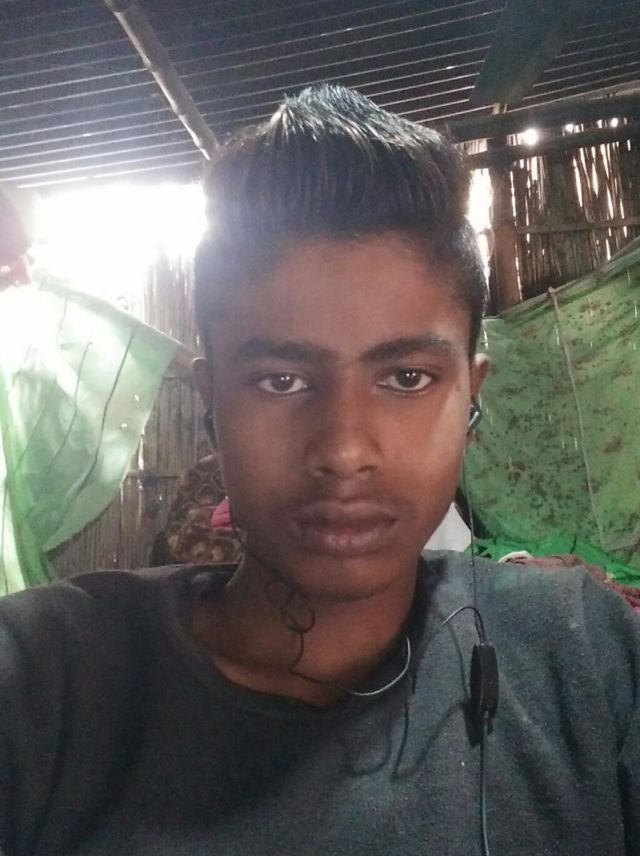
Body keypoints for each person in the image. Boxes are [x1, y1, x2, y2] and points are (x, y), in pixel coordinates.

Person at [1, 85, 639, 856]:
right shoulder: (44, 682)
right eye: (282, 380)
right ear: (211, 401)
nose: (343, 450)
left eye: (406, 378)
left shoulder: (583, 658)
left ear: (470, 395)